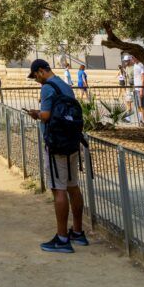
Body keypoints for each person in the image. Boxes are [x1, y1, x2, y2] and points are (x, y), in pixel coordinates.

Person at [26, 58, 88, 254]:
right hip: (71, 142)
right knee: (72, 186)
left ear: (41, 71)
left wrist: (35, 113)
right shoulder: (64, 85)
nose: (36, 80)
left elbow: (46, 115)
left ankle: (62, 238)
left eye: (36, 76)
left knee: (58, 189)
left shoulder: (47, 88)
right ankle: (77, 231)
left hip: (56, 144)